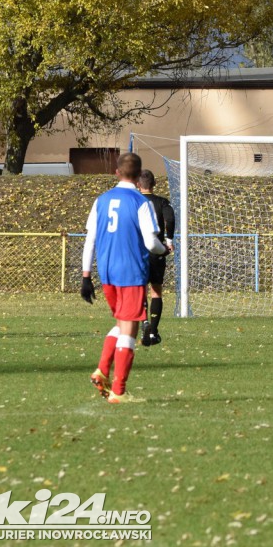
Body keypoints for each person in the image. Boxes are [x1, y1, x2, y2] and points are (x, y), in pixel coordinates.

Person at [82, 153, 170, 404]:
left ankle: (102, 370)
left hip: (107, 272)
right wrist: (164, 249)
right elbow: (151, 242)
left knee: (123, 323)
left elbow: (90, 240)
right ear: (139, 174)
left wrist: (86, 276)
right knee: (130, 330)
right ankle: (118, 391)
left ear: (117, 172)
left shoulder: (101, 200)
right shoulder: (140, 202)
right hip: (130, 272)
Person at [137, 170, 175, 347]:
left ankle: (144, 322)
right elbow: (170, 219)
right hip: (157, 250)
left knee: (140, 290)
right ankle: (153, 332)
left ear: (138, 185)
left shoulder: (134, 201)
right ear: (154, 184)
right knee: (156, 290)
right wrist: (169, 240)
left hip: (138, 251)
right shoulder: (161, 202)